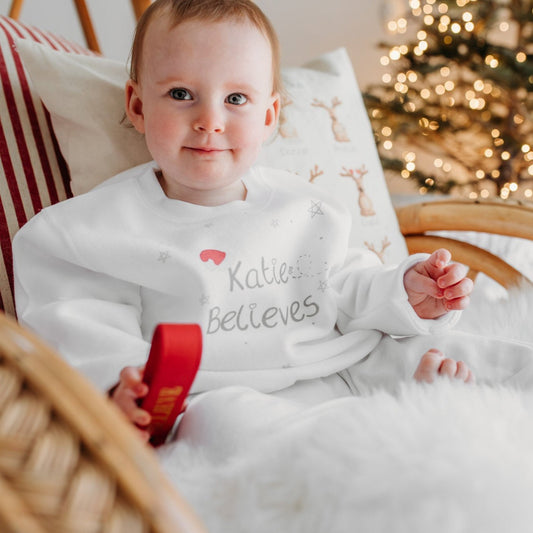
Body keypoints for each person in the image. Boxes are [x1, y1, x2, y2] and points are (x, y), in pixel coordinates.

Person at [13, 0, 480, 443]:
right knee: (223, 422)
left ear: (269, 116)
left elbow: (348, 285)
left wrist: (407, 292)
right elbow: (81, 326)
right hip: (215, 395)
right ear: (137, 107)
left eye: (236, 98)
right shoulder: (98, 229)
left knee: (422, 351)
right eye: (181, 94)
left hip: (333, 374)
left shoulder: (304, 208)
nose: (209, 120)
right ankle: (375, 433)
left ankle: (402, 416)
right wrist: (119, 389)